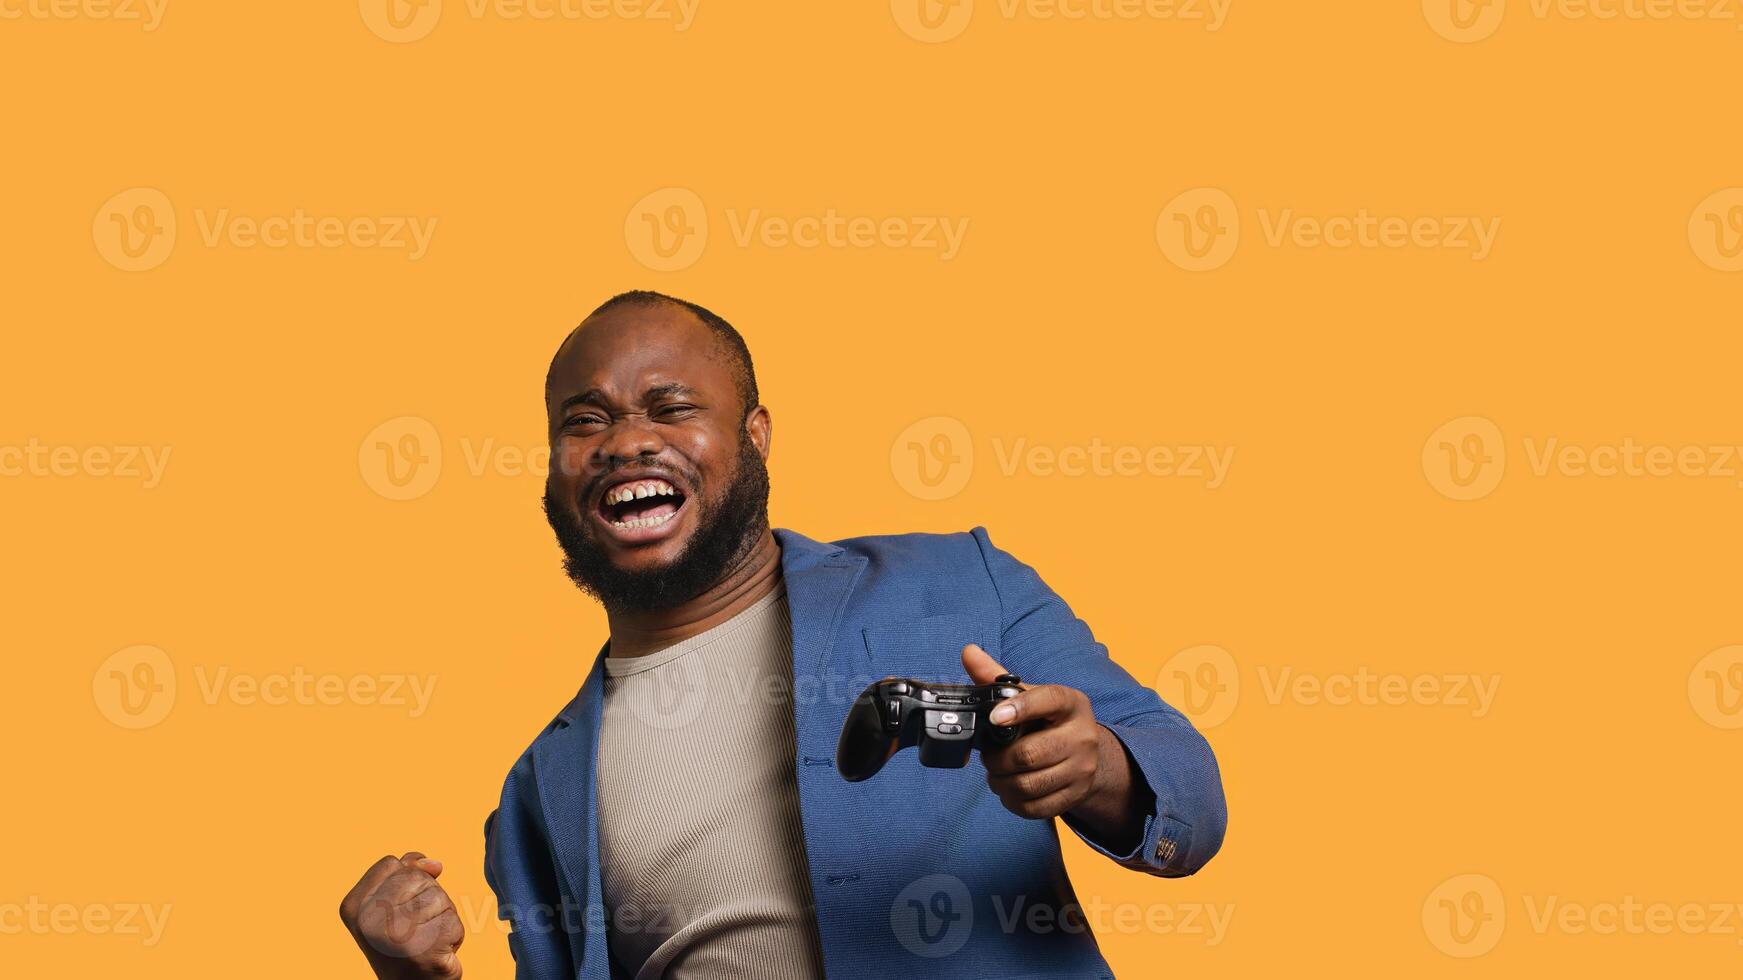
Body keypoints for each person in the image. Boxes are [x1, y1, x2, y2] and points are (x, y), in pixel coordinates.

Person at [339, 290, 1227, 979]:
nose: (624, 441)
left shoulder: (962, 581)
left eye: (669, 406)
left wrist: (1098, 767)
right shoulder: (538, 790)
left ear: (754, 437)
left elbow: (1190, 795)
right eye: (584, 420)